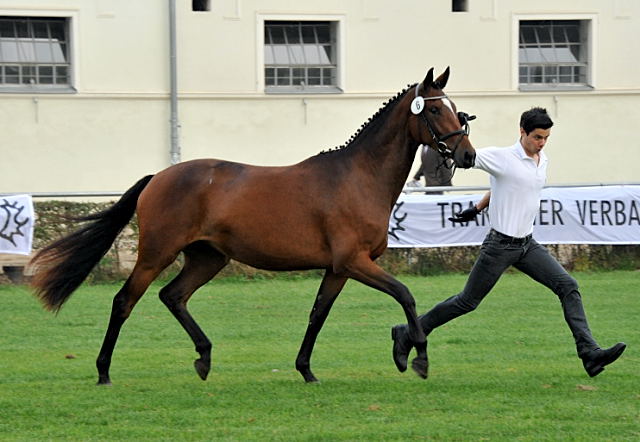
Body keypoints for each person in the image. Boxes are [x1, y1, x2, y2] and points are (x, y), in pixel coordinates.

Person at [391, 107, 626, 378]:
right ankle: (408, 332)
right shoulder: (501, 157)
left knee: (568, 286)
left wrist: (478, 207)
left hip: (527, 245)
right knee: (466, 302)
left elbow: (506, 185)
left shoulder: (542, 159)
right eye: (537, 137)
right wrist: (458, 128)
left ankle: (590, 354)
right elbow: (463, 156)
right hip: (499, 247)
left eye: (546, 138)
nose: (542, 143)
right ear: (522, 131)